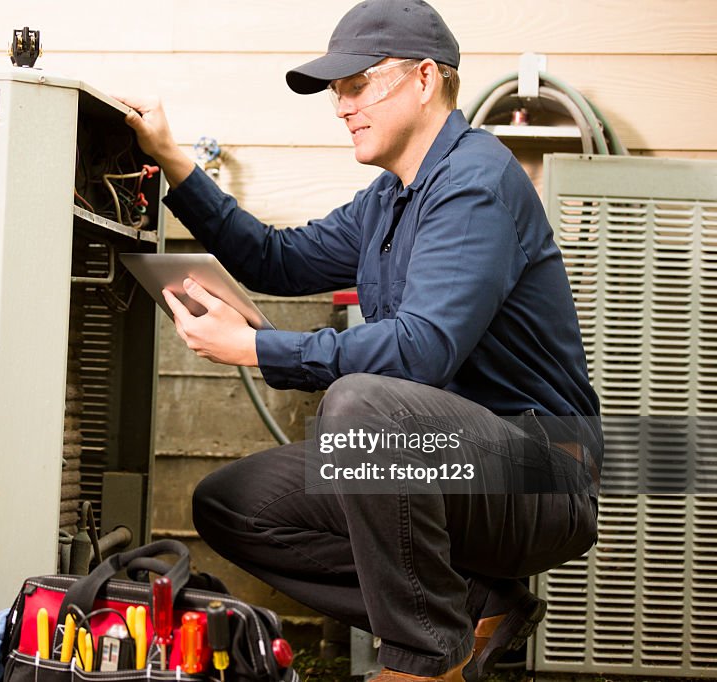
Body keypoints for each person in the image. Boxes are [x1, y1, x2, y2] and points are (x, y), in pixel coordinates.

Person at [118, 1, 602, 680]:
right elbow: (274, 261)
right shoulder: (389, 198)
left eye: (356, 85)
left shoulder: (476, 185)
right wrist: (172, 160)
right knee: (234, 505)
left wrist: (259, 349)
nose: (340, 106)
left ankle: (421, 661)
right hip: (439, 459)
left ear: (425, 79)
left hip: (539, 475)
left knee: (362, 410)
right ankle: (472, 609)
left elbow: (421, 350)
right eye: (335, 92)